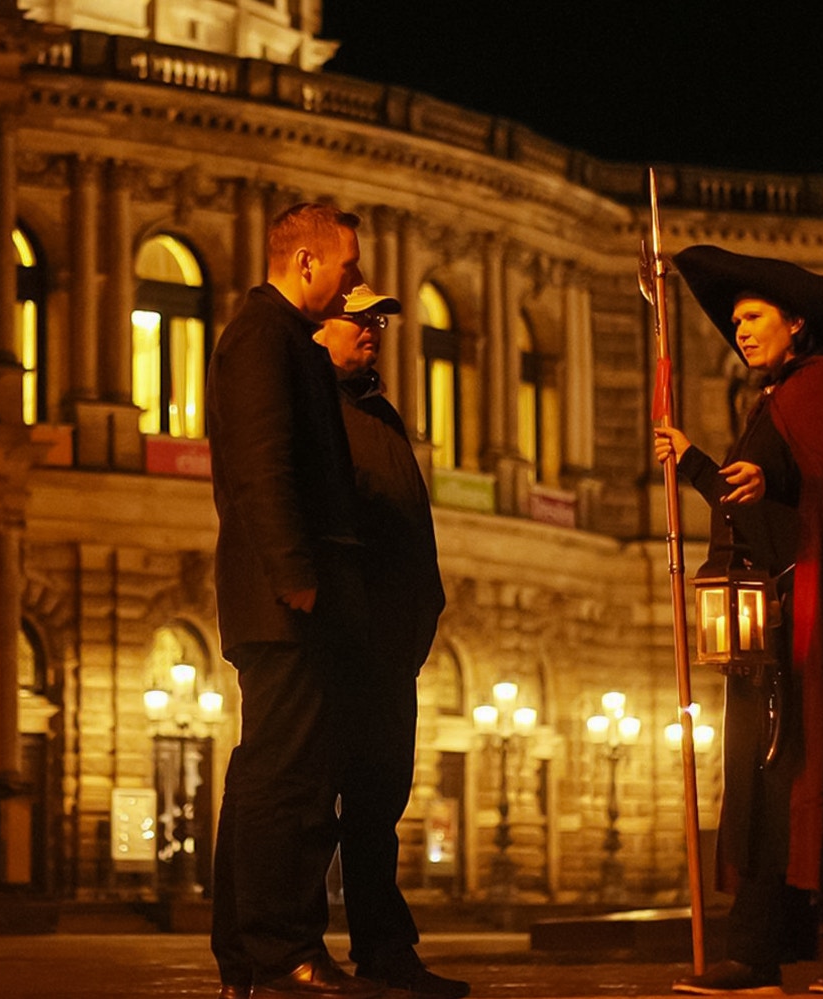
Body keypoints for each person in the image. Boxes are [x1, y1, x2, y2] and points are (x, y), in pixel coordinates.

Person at [652, 246, 823, 995]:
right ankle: (761, 952)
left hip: (811, 626)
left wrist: (755, 475)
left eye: (752, 318)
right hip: (772, 631)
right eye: (733, 321)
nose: (738, 332)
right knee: (769, 783)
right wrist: (707, 469)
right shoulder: (780, 398)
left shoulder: (822, 386)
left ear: (796, 322)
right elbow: (775, 512)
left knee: (794, 776)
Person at [206, 202, 380, 999]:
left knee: (264, 774)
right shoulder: (263, 336)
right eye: (346, 267)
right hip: (287, 597)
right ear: (306, 262)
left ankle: (248, 953)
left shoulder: (278, 339)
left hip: (285, 592)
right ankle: (283, 951)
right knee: (291, 779)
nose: (352, 284)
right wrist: (295, 573)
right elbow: (261, 464)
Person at [312, 288, 467, 999]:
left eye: (379, 320)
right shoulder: (309, 407)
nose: (374, 330)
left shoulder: (378, 410)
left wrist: (420, 614)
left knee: (379, 801)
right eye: (360, 318)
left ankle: (385, 945)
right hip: (338, 635)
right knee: (313, 797)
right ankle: (296, 944)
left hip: (390, 640)